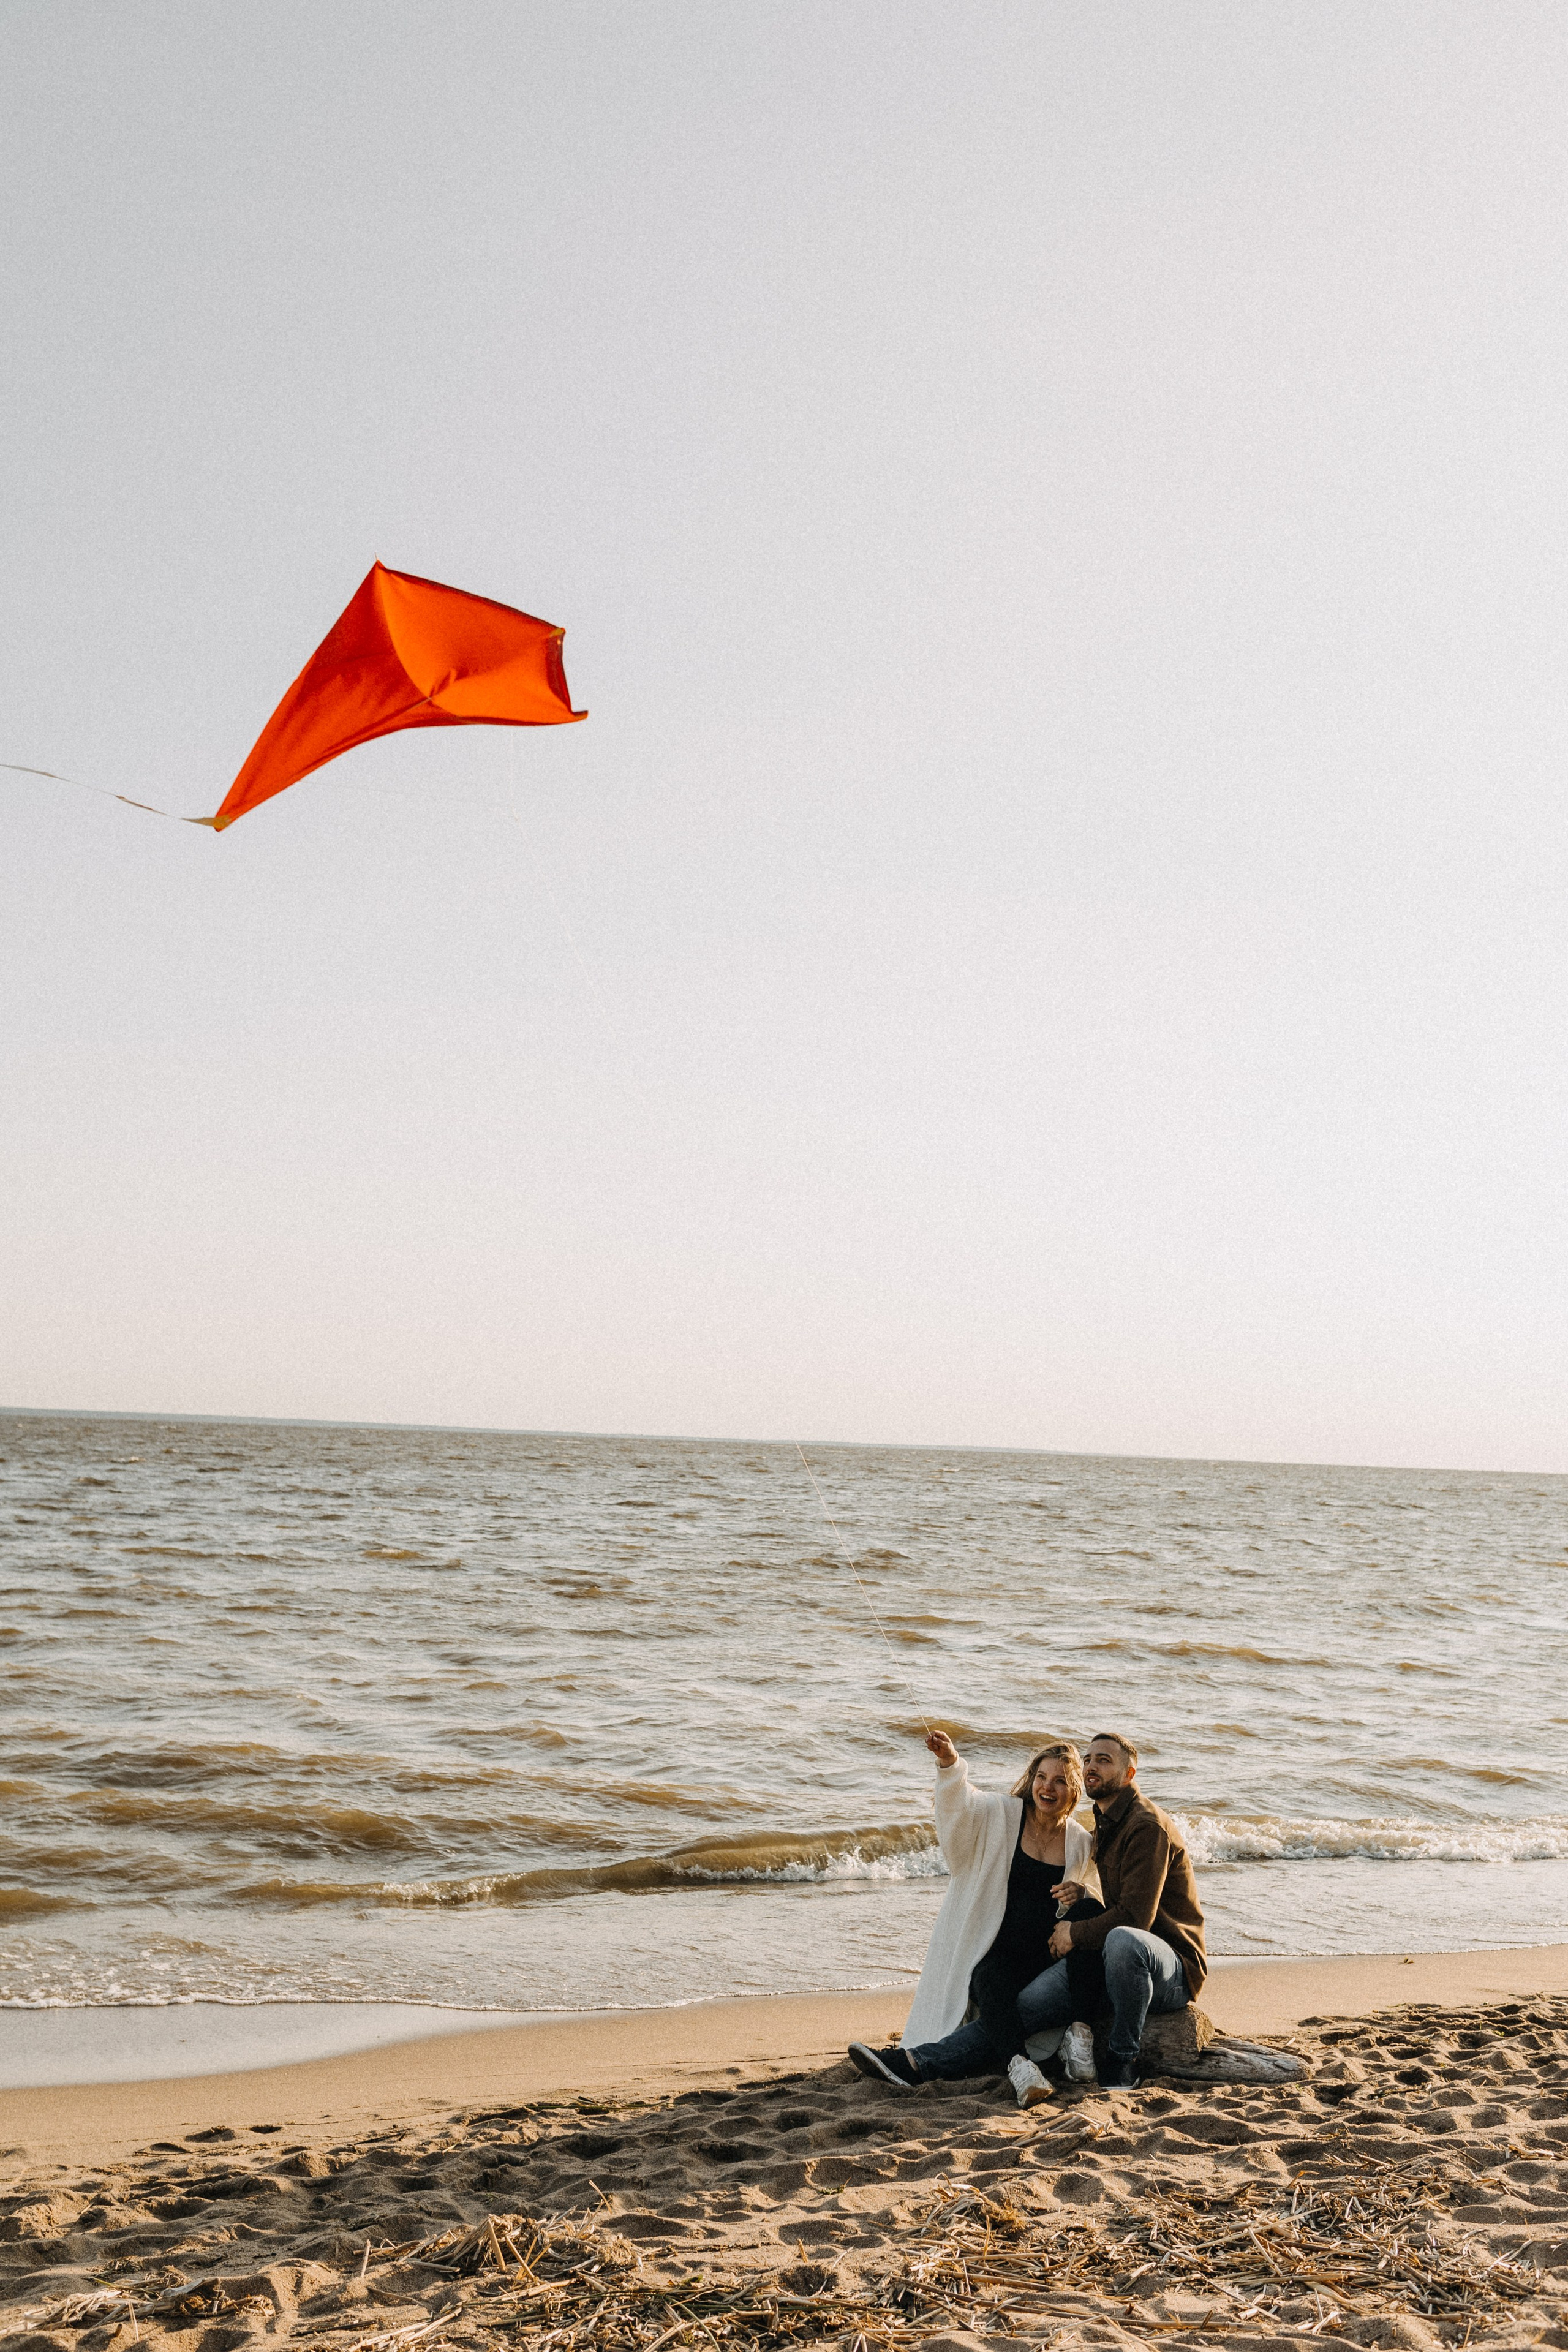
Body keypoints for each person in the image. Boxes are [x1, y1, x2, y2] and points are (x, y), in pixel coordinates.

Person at [846, 1729, 1103, 2108]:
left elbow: (1099, 1898)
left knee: (1085, 1916)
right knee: (988, 1976)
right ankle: (1022, 2068)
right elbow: (961, 1810)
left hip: (1047, 1957)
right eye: (1042, 1778)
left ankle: (919, 2064)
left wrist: (1081, 1893)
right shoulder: (1000, 1814)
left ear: (1074, 1791)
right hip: (997, 1952)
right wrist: (950, 1765)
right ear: (1031, 1780)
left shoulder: (1080, 1842)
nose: (1048, 1788)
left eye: (1061, 1781)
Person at [1033, 1730, 1208, 2088]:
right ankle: (930, 2058)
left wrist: (1074, 1933)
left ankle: (1122, 2058)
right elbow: (1120, 1898)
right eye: (1088, 1759)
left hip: (1172, 1971)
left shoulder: (1146, 1825)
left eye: (1104, 1760)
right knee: (1025, 2006)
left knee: (1124, 1940)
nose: (1091, 1766)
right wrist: (1084, 1893)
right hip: (1118, 1963)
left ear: (1128, 1775)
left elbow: (1134, 1919)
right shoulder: (1106, 1820)